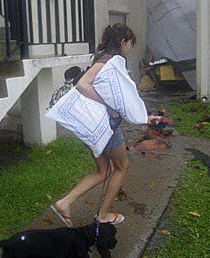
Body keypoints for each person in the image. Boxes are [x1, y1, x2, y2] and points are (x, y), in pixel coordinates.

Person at [52, 23, 157, 227]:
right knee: (121, 166)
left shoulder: (101, 58)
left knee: (103, 170)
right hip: (105, 126)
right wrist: (106, 102)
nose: (129, 49)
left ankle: (64, 202)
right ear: (122, 42)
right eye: (129, 44)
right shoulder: (109, 61)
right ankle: (102, 215)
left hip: (92, 125)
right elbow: (83, 84)